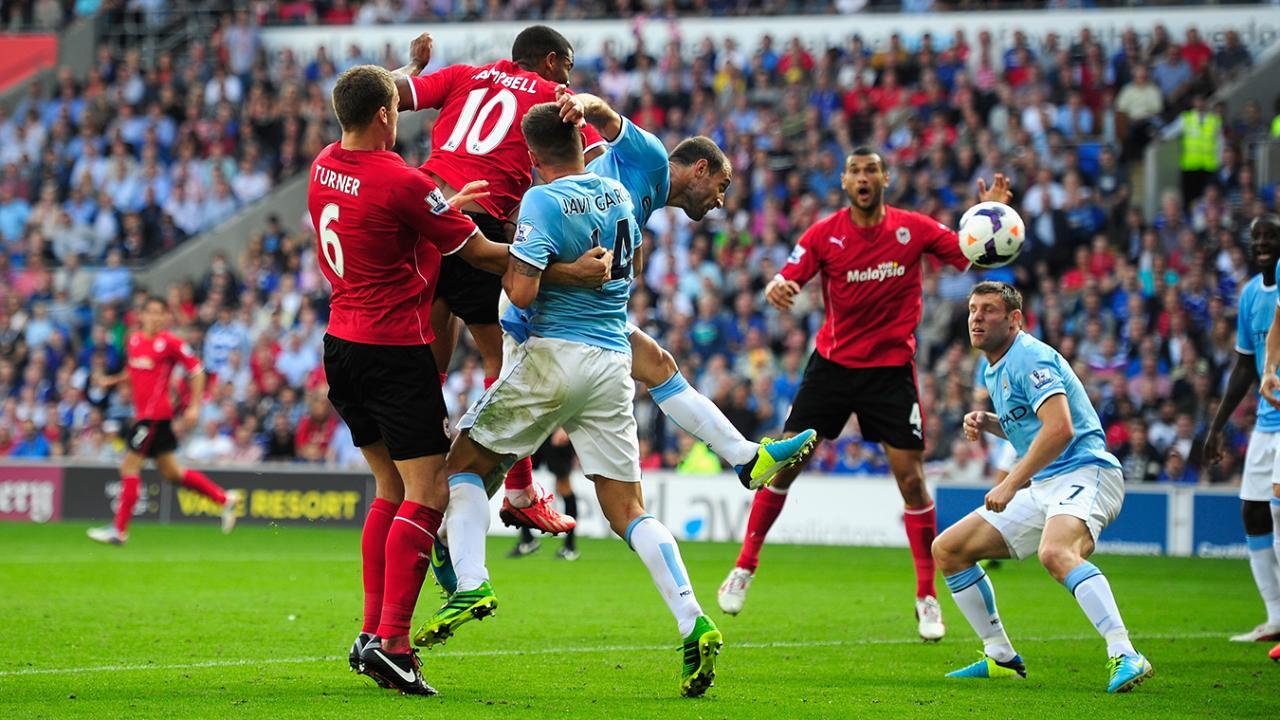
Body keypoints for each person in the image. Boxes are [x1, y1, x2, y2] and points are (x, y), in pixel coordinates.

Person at [419, 103, 722, 698]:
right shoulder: (617, 194)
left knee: (463, 466)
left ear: (532, 157)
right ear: (584, 141)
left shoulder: (541, 201)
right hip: (611, 363)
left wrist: (509, 260)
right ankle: (692, 618)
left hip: (553, 356)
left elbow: (523, 288)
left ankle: (473, 580)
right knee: (626, 509)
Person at [716, 146, 1010, 642]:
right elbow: (789, 276)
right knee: (785, 461)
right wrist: (778, 287)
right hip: (832, 366)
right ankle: (744, 565)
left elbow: (967, 254)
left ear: (885, 178)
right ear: (844, 182)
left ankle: (926, 597)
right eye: (855, 171)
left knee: (912, 482)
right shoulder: (823, 234)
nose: (864, 178)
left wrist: (994, 217)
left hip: (890, 372)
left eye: (871, 170)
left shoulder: (913, 228)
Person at [308, 64, 519, 696]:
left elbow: (393, 231)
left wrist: (438, 213)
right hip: (394, 352)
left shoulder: (323, 163)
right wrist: (556, 262)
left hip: (340, 343)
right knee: (428, 492)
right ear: (385, 115)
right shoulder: (400, 180)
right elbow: (480, 254)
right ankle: (395, 644)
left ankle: (372, 633)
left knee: (388, 488)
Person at [392, 27, 606, 534]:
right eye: (568, 68)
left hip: (422, 211)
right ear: (551, 61)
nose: (569, 79)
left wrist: (411, 68)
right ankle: (519, 491)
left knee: (433, 355)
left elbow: (385, 95)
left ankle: (421, 476)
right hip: (474, 215)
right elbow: (595, 162)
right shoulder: (556, 98)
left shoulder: (464, 74)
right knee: (500, 356)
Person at [934, 281, 1153, 693]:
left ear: (1015, 319)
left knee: (1055, 552)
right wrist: (990, 422)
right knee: (949, 550)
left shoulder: (1030, 357)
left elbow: (1060, 429)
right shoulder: (993, 366)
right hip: (1048, 483)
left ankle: (1125, 653)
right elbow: (1031, 429)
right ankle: (1000, 655)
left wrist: (1010, 484)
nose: (976, 318)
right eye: (972, 309)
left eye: (988, 311)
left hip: (1087, 472)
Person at [87, 296, 241, 545]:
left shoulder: (170, 342)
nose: (156, 318)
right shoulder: (134, 340)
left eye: (161, 313)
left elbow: (197, 369)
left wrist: (194, 406)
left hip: (153, 417)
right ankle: (224, 499)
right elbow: (135, 370)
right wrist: (111, 380)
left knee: (128, 466)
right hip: (148, 418)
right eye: (151, 312)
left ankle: (119, 530)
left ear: (165, 317)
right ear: (143, 315)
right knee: (172, 473)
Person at [1205, 215, 1280, 643]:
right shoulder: (1252, 294)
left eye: (1272, 236)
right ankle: (1275, 617)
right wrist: (1216, 427)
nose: (1264, 243)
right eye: (1258, 238)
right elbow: (1242, 366)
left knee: (1277, 509)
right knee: (1252, 509)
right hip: (1267, 421)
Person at [508, 429, 580, 560]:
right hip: (536, 429)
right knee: (518, 482)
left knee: (564, 487)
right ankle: (527, 540)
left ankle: (569, 547)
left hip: (555, 430)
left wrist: (564, 427)